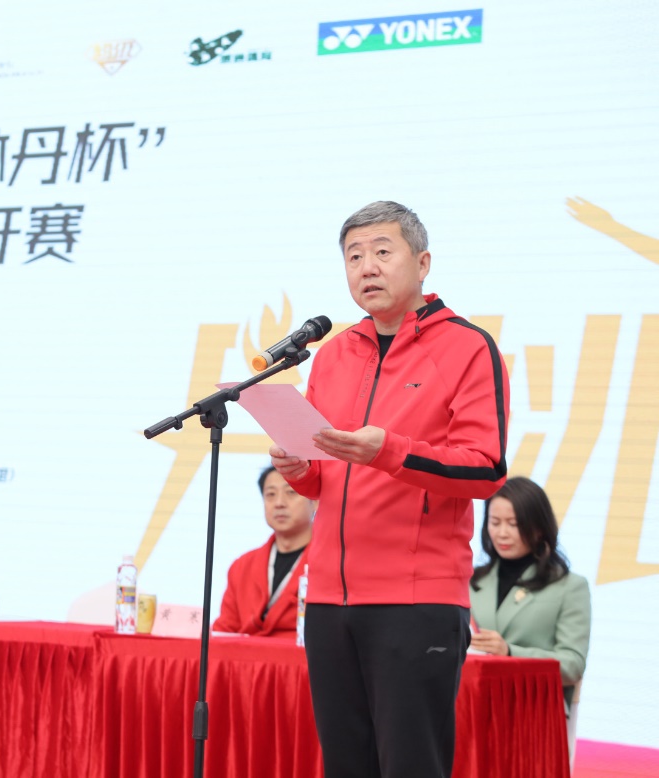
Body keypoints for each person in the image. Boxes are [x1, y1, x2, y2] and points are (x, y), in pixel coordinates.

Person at [270, 201, 509, 778]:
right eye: (354, 257)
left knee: (410, 765)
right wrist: (299, 469)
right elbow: (327, 480)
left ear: (422, 263)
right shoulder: (333, 355)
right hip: (328, 602)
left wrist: (390, 450)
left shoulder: (467, 347)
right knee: (345, 766)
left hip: (416, 602)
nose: (367, 267)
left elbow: (485, 469)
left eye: (382, 251)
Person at [469, 477, 590, 710]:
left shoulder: (570, 586)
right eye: (495, 522)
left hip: (534, 710)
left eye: (513, 524)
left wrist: (510, 653)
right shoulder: (471, 580)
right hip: (473, 705)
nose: (502, 533)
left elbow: (573, 665)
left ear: (539, 527)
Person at [213, 465, 313, 636]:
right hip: (247, 653)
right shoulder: (242, 566)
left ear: (315, 501)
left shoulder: (334, 562)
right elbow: (225, 631)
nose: (279, 503)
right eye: (270, 495)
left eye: (291, 492)